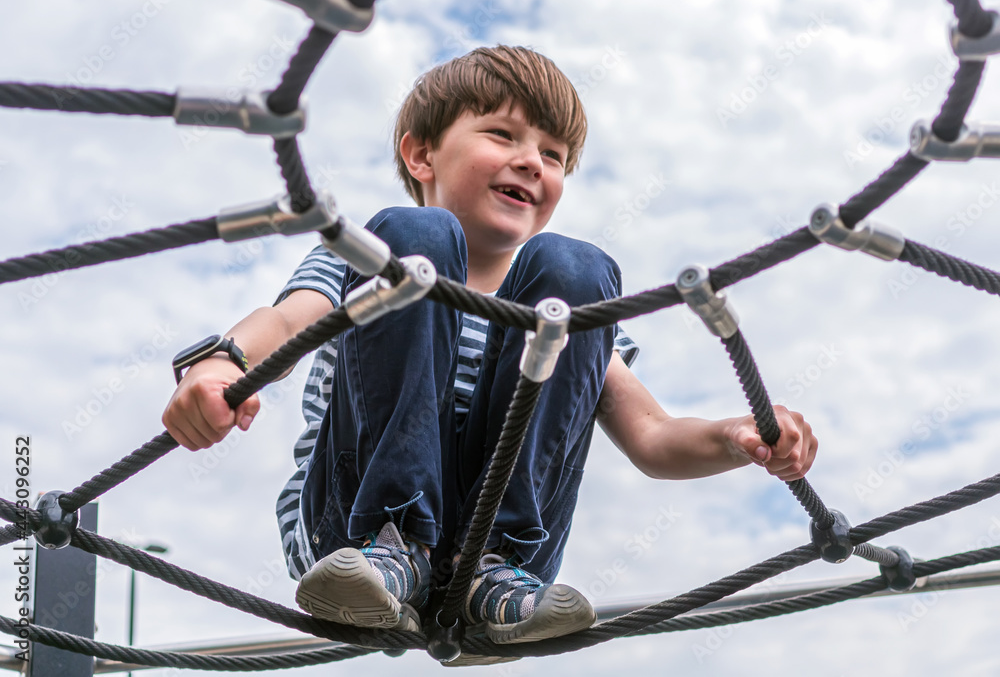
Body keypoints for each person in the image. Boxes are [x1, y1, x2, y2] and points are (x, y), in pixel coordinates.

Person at [162, 45, 817, 651]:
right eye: (503, 135)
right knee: (409, 240)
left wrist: (737, 437)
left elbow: (652, 435)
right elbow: (285, 321)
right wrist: (226, 360)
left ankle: (492, 570)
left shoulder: (560, 311)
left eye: (554, 155)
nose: (533, 160)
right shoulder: (369, 261)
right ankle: (393, 543)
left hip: (501, 560)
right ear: (421, 156)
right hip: (349, 535)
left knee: (579, 270)